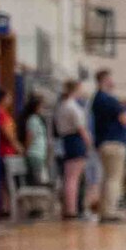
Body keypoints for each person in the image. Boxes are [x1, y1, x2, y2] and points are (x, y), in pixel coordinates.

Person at [90, 69, 126, 223]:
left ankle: (105, 210)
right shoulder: (108, 100)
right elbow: (125, 118)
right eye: (110, 78)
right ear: (105, 80)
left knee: (107, 178)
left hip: (103, 143)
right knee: (114, 179)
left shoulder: (96, 99)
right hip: (114, 143)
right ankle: (110, 212)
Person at [53, 78, 90, 220]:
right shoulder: (71, 106)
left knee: (69, 177)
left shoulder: (62, 105)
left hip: (67, 140)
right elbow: (80, 127)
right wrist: (88, 141)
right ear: (76, 89)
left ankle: (69, 208)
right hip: (75, 140)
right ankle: (72, 210)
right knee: (73, 178)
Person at [0, 88, 23, 213]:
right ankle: (6, 207)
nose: (10, 100)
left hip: (7, 150)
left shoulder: (4, 113)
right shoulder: (0, 113)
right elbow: (7, 133)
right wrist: (18, 146)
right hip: (5, 151)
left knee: (5, 181)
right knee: (6, 181)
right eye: (8, 97)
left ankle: (6, 206)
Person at [21, 91, 52, 187]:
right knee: (36, 181)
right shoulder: (33, 120)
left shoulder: (38, 120)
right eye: (41, 106)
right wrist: (25, 150)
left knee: (39, 178)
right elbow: (30, 136)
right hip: (34, 153)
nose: (43, 109)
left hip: (39, 153)